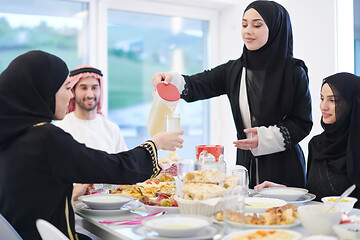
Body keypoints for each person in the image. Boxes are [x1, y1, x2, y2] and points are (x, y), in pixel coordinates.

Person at [0, 50, 184, 240]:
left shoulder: (11, 135)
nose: (70, 96)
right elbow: (112, 167)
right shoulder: (45, 138)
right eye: (65, 88)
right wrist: (155, 144)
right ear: (43, 90)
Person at [152, 0, 312, 188]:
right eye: (244, 24)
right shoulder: (234, 70)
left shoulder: (293, 71)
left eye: (257, 25)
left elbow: (302, 122)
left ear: (276, 29)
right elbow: (197, 84)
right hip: (245, 166)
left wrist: (265, 137)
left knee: (280, 216)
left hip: (284, 168)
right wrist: (170, 78)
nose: (248, 31)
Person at [255, 72, 360, 207]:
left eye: (332, 100)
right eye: (322, 98)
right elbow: (314, 195)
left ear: (352, 104)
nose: (323, 106)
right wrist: (281, 191)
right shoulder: (317, 144)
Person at [53, 65, 127, 154]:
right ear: (73, 91)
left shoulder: (112, 129)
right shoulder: (60, 128)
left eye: (94, 88)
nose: (90, 95)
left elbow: (123, 165)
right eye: (83, 88)